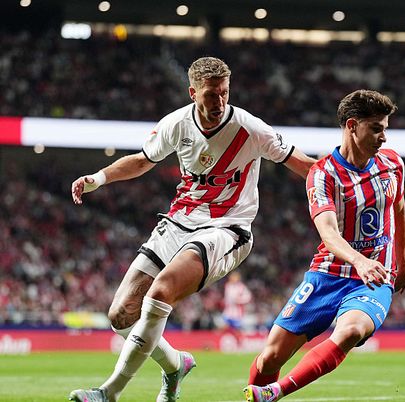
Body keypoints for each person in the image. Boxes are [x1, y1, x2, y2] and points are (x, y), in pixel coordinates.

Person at [68, 56, 315, 402]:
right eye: (211, 95)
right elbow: (142, 160)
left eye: (225, 94)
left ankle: (108, 393)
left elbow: (305, 165)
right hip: (179, 222)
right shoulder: (177, 124)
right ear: (193, 93)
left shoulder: (249, 129)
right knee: (120, 314)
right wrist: (97, 178)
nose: (219, 103)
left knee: (160, 292)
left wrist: (346, 184)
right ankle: (175, 366)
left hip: (227, 228)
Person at [242, 89, 405, 402]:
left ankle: (275, 392)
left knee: (350, 331)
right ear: (351, 126)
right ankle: (262, 390)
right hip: (327, 274)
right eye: (376, 128)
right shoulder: (323, 175)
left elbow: (398, 207)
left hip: (373, 278)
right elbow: (328, 232)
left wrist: (403, 260)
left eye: (385, 128)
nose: (383, 137)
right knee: (270, 358)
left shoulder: (392, 164)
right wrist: (359, 260)